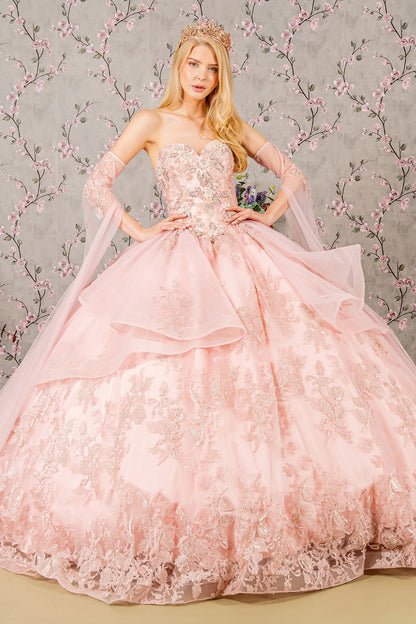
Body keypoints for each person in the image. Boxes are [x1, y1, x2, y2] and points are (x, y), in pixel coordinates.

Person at [0, 18, 415, 606]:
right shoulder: (150, 121)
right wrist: (140, 229)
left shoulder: (228, 124)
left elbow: (293, 174)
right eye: (194, 64)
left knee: (280, 370)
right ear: (179, 65)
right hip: (177, 261)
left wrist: (265, 216)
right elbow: (97, 183)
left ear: (223, 76)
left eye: (213, 67)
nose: (202, 75)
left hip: (244, 254)